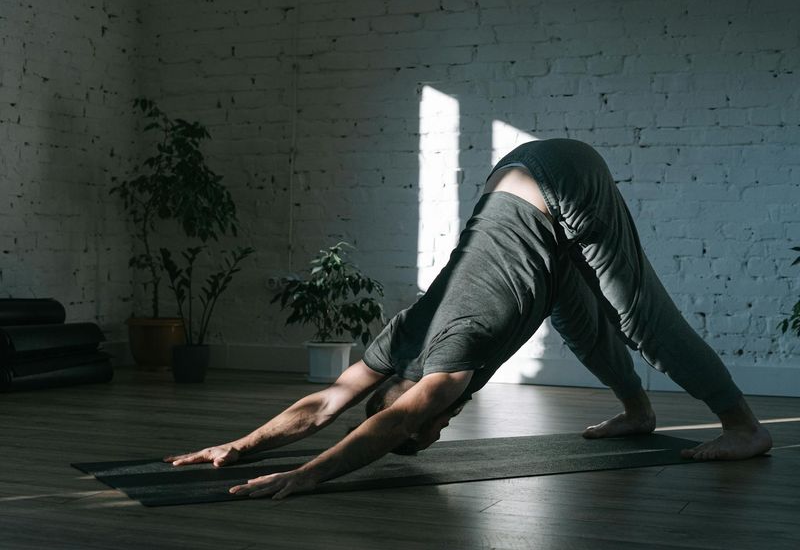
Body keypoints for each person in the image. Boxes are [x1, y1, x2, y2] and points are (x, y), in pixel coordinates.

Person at [165, 138, 772, 500]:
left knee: (641, 319)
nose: (437, 433)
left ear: (418, 411)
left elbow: (383, 423)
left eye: (426, 430)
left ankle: (744, 426)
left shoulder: (452, 359)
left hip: (561, 180)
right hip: (519, 182)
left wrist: (306, 476)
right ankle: (638, 412)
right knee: (578, 320)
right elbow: (324, 404)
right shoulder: (400, 341)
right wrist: (241, 445)